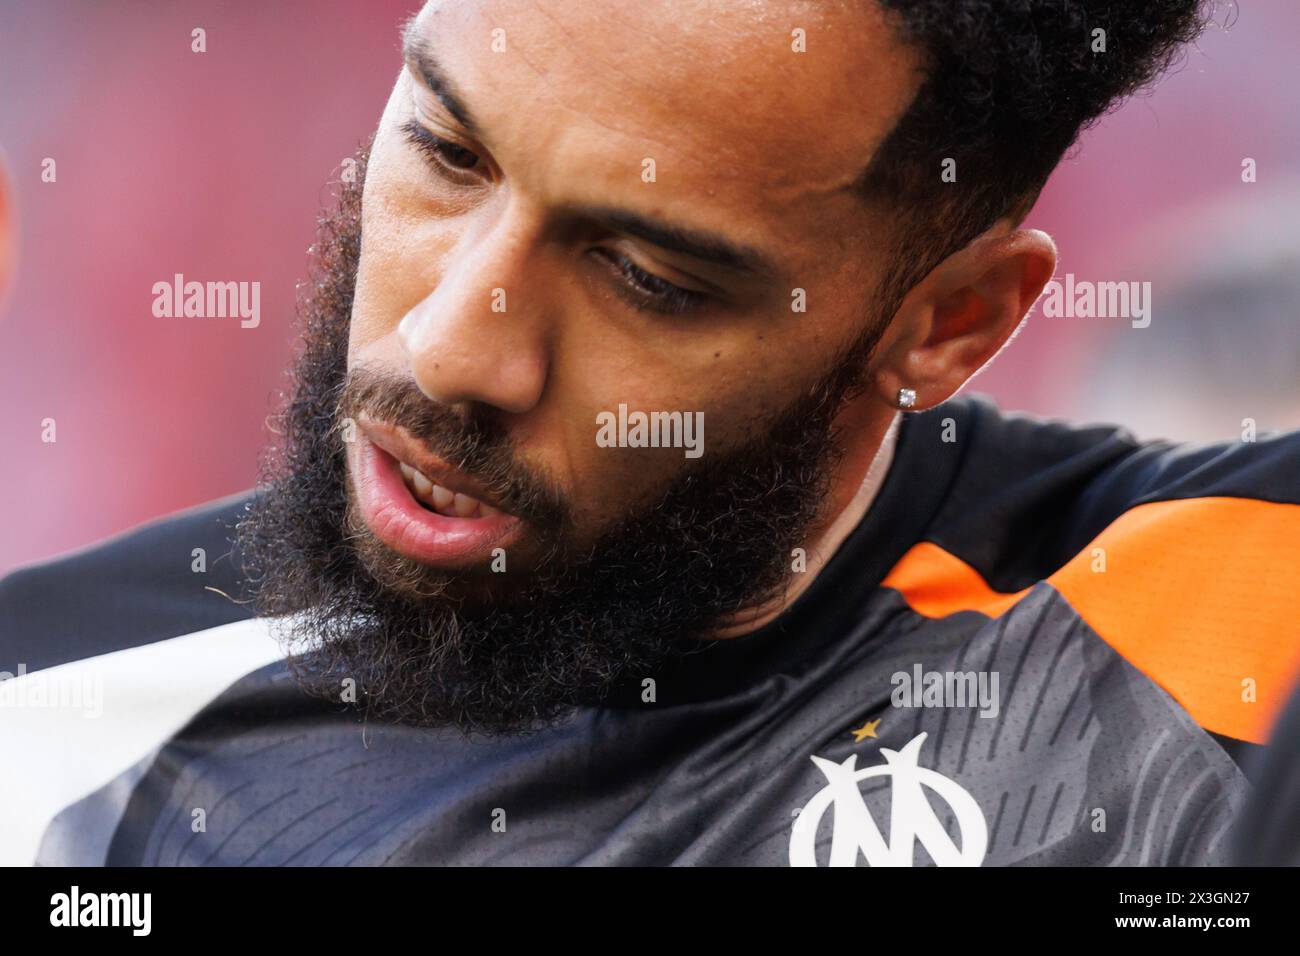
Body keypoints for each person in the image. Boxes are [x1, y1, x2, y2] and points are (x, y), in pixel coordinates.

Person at [1, 0, 1295, 867]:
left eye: (650, 279)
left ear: (948, 325)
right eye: (447, 152)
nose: (450, 349)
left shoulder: (1200, 645)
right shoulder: (50, 728)